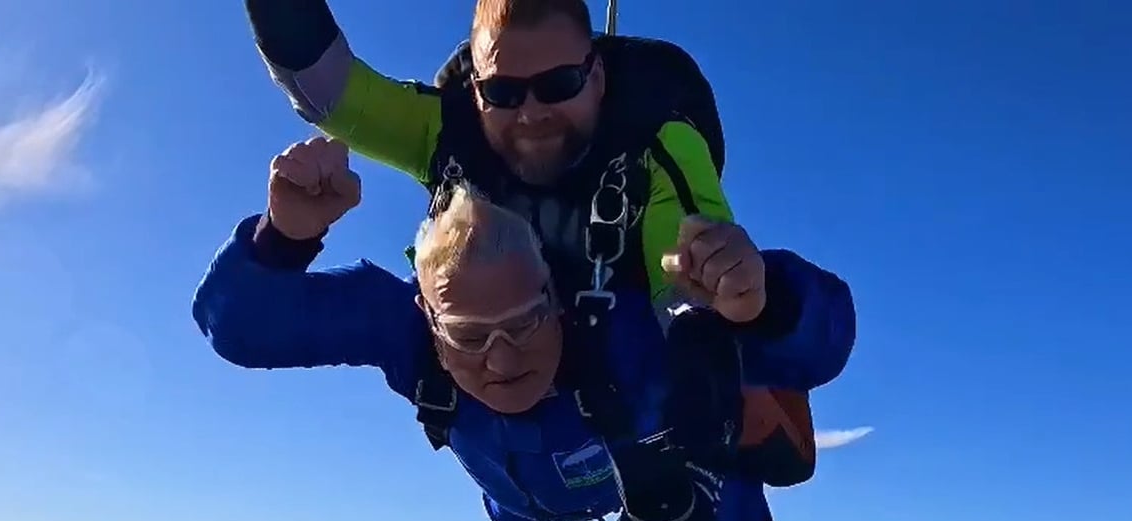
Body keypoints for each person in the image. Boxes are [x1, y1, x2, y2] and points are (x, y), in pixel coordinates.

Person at [243, 0, 857, 489]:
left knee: (739, 507)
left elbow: (685, 292)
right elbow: (325, 88)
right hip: (505, 387)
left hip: (624, 355)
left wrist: (744, 300)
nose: (531, 112)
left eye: (559, 83)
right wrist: (287, 234)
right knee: (509, 507)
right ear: (477, 88)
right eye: (505, 93)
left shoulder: (655, 146)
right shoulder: (448, 132)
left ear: (597, 75)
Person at [192, 137, 853, 521]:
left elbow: (823, 339)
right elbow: (239, 326)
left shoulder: (611, 328)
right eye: (469, 335)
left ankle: (752, 417)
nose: (503, 357)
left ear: (556, 298)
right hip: (516, 487)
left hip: (643, 452)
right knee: (510, 515)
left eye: (524, 321)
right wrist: (284, 235)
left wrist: (763, 299)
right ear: (428, 315)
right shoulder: (405, 332)